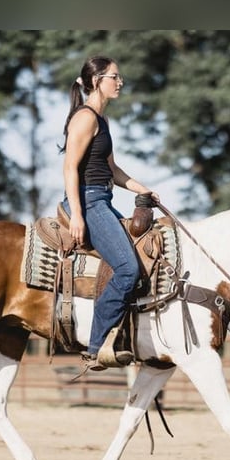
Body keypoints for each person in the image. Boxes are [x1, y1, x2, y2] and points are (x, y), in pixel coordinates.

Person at [60, 55, 160, 371]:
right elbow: (70, 167)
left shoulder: (102, 121)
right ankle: (96, 346)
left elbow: (112, 169)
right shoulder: (86, 117)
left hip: (102, 197)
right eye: (114, 77)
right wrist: (77, 214)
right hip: (89, 202)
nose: (120, 82)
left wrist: (144, 190)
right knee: (128, 269)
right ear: (96, 81)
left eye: (119, 77)